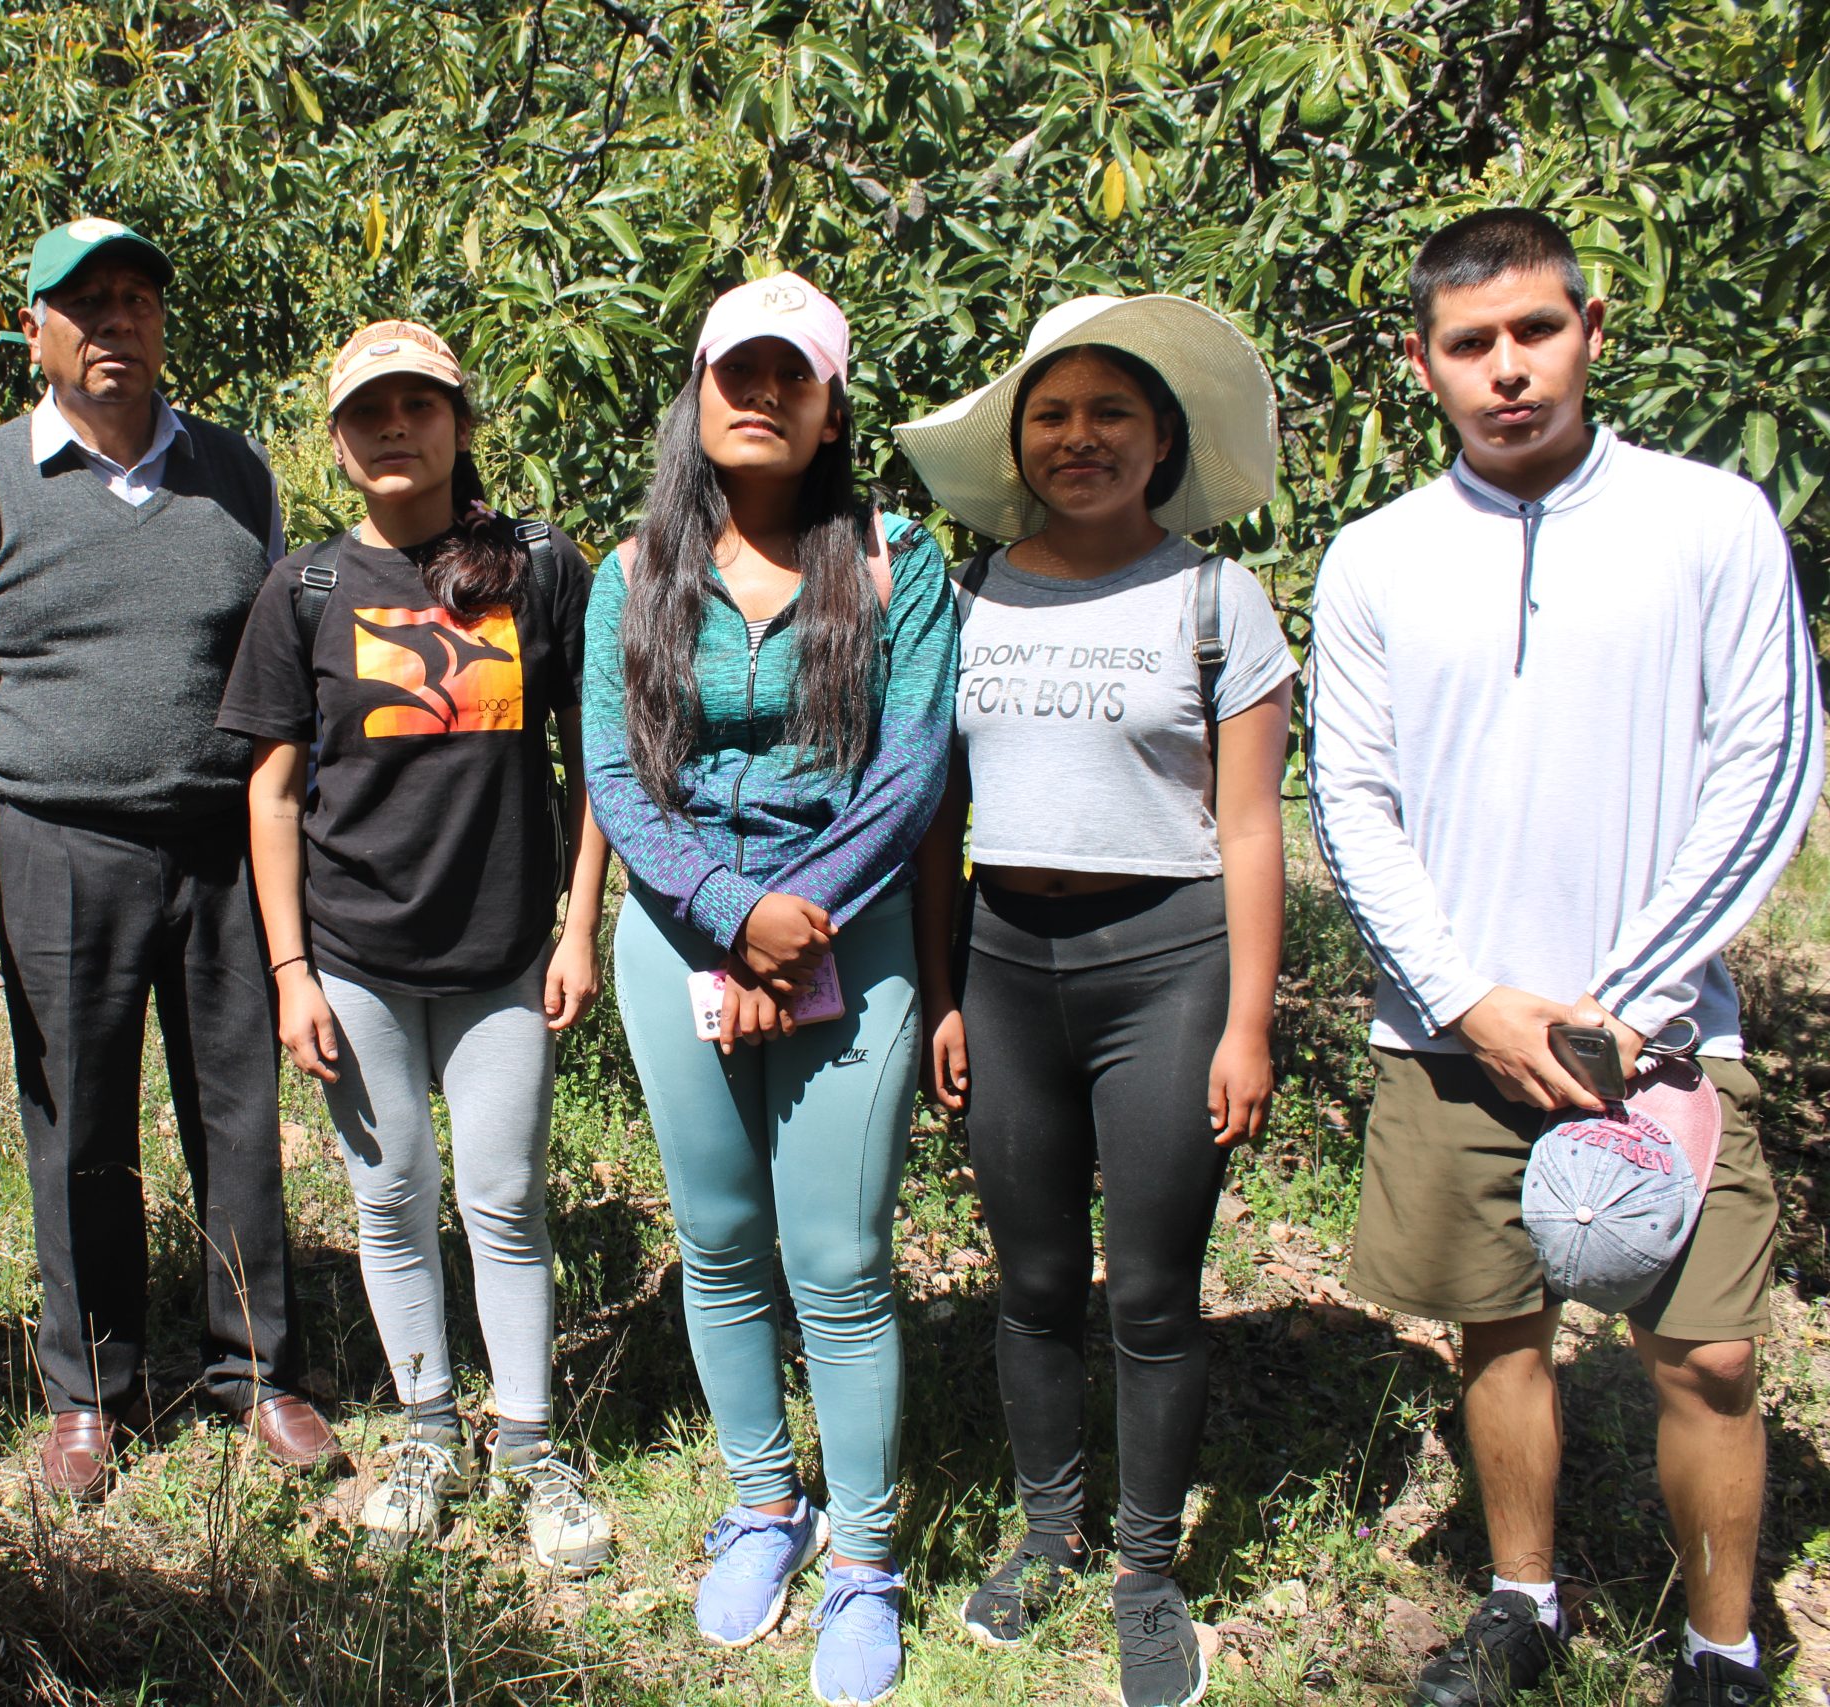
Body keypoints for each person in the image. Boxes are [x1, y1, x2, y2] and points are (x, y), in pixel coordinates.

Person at [1307, 208, 1824, 1707]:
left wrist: (1632, 994)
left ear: (1593, 328)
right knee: (1499, 1326)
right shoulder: (1375, 557)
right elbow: (1354, 796)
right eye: (1472, 344)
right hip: (1453, 1030)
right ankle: (1522, 1599)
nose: (1509, 368)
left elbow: (1770, 761)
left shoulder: (1710, 520)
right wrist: (1470, 997)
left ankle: (1721, 1647)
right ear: (1423, 363)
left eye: (1536, 330)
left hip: (1661, 1028)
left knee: (1709, 1352)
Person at [896, 294, 1295, 1707]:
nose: (1080, 439)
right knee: (1035, 1280)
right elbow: (937, 816)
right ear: (1021, 443)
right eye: (1053, 415)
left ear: (1162, 440)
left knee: (1157, 1289)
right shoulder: (971, 589)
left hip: (1166, 966)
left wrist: (1250, 1017)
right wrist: (942, 987)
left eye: (1111, 414)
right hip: (1006, 964)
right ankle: (1049, 1524)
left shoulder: (1212, 599)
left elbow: (1253, 827)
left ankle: (1144, 1564)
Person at [0, 217, 337, 1495]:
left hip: (217, 847)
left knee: (239, 1114)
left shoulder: (233, 475)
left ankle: (258, 1370)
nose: (114, 323)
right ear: (32, 330)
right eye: (83, 304)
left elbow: (277, 680)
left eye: (136, 298)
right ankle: (89, 1390)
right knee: (77, 1119)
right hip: (59, 842)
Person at [582, 273, 953, 1706]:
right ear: (696, 393)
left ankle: (862, 1556)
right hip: (678, 931)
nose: (757, 394)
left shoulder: (893, 561)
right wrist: (734, 918)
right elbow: (617, 775)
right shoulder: (634, 573)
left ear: (829, 405)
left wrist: (798, 922)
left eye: (787, 375)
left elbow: (913, 762)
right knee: (721, 1236)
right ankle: (762, 1502)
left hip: (845, 936)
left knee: (841, 1259)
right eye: (733, 370)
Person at [218, 320, 614, 1570]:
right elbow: (272, 795)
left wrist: (577, 923)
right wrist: (289, 970)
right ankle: (427, 1430)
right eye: (368, 411)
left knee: (504, 1202)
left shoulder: (543, 566)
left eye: (419, 405)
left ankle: (532, 1448)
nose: (395, 428)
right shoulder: (307, 590)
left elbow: (592, 762)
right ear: (337, 440)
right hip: (353, 955)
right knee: (389, 1206)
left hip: (504, 953)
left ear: (459, 421)